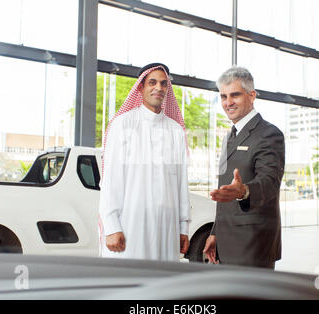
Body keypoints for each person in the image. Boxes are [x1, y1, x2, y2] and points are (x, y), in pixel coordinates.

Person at [98, 63, 190, 261]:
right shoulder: (123, 123)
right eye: (152, 82)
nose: (159, 88)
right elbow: (111, 179)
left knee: (164, 284)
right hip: (131, 225)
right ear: (140, 87)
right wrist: (112, 226)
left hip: (168, 229)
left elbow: (181, 183)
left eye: (164, 84)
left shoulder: (175, 130)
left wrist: (184, 228)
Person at [203, 66, 285, 269]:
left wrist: (244, 190)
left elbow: (269, 182)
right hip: (227, 239)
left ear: (252, 95)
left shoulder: (269, 134)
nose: (228, 102)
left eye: (235, 95)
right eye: (223, 96)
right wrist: (215, 232)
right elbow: (225, 192)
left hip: (253, 244)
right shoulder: (229, 137)